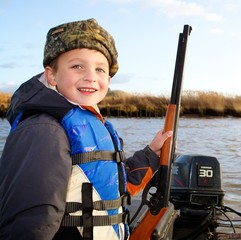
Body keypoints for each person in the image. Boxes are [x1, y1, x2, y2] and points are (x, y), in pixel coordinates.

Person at [0, 18, 172, 240]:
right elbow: (30, 224)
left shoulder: (92, 121)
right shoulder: (44, 130)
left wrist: (151, 154)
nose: (91, 76)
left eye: (100, 69)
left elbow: (105, 189)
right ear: (52, 75)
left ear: (108, 79)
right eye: (77, 66)